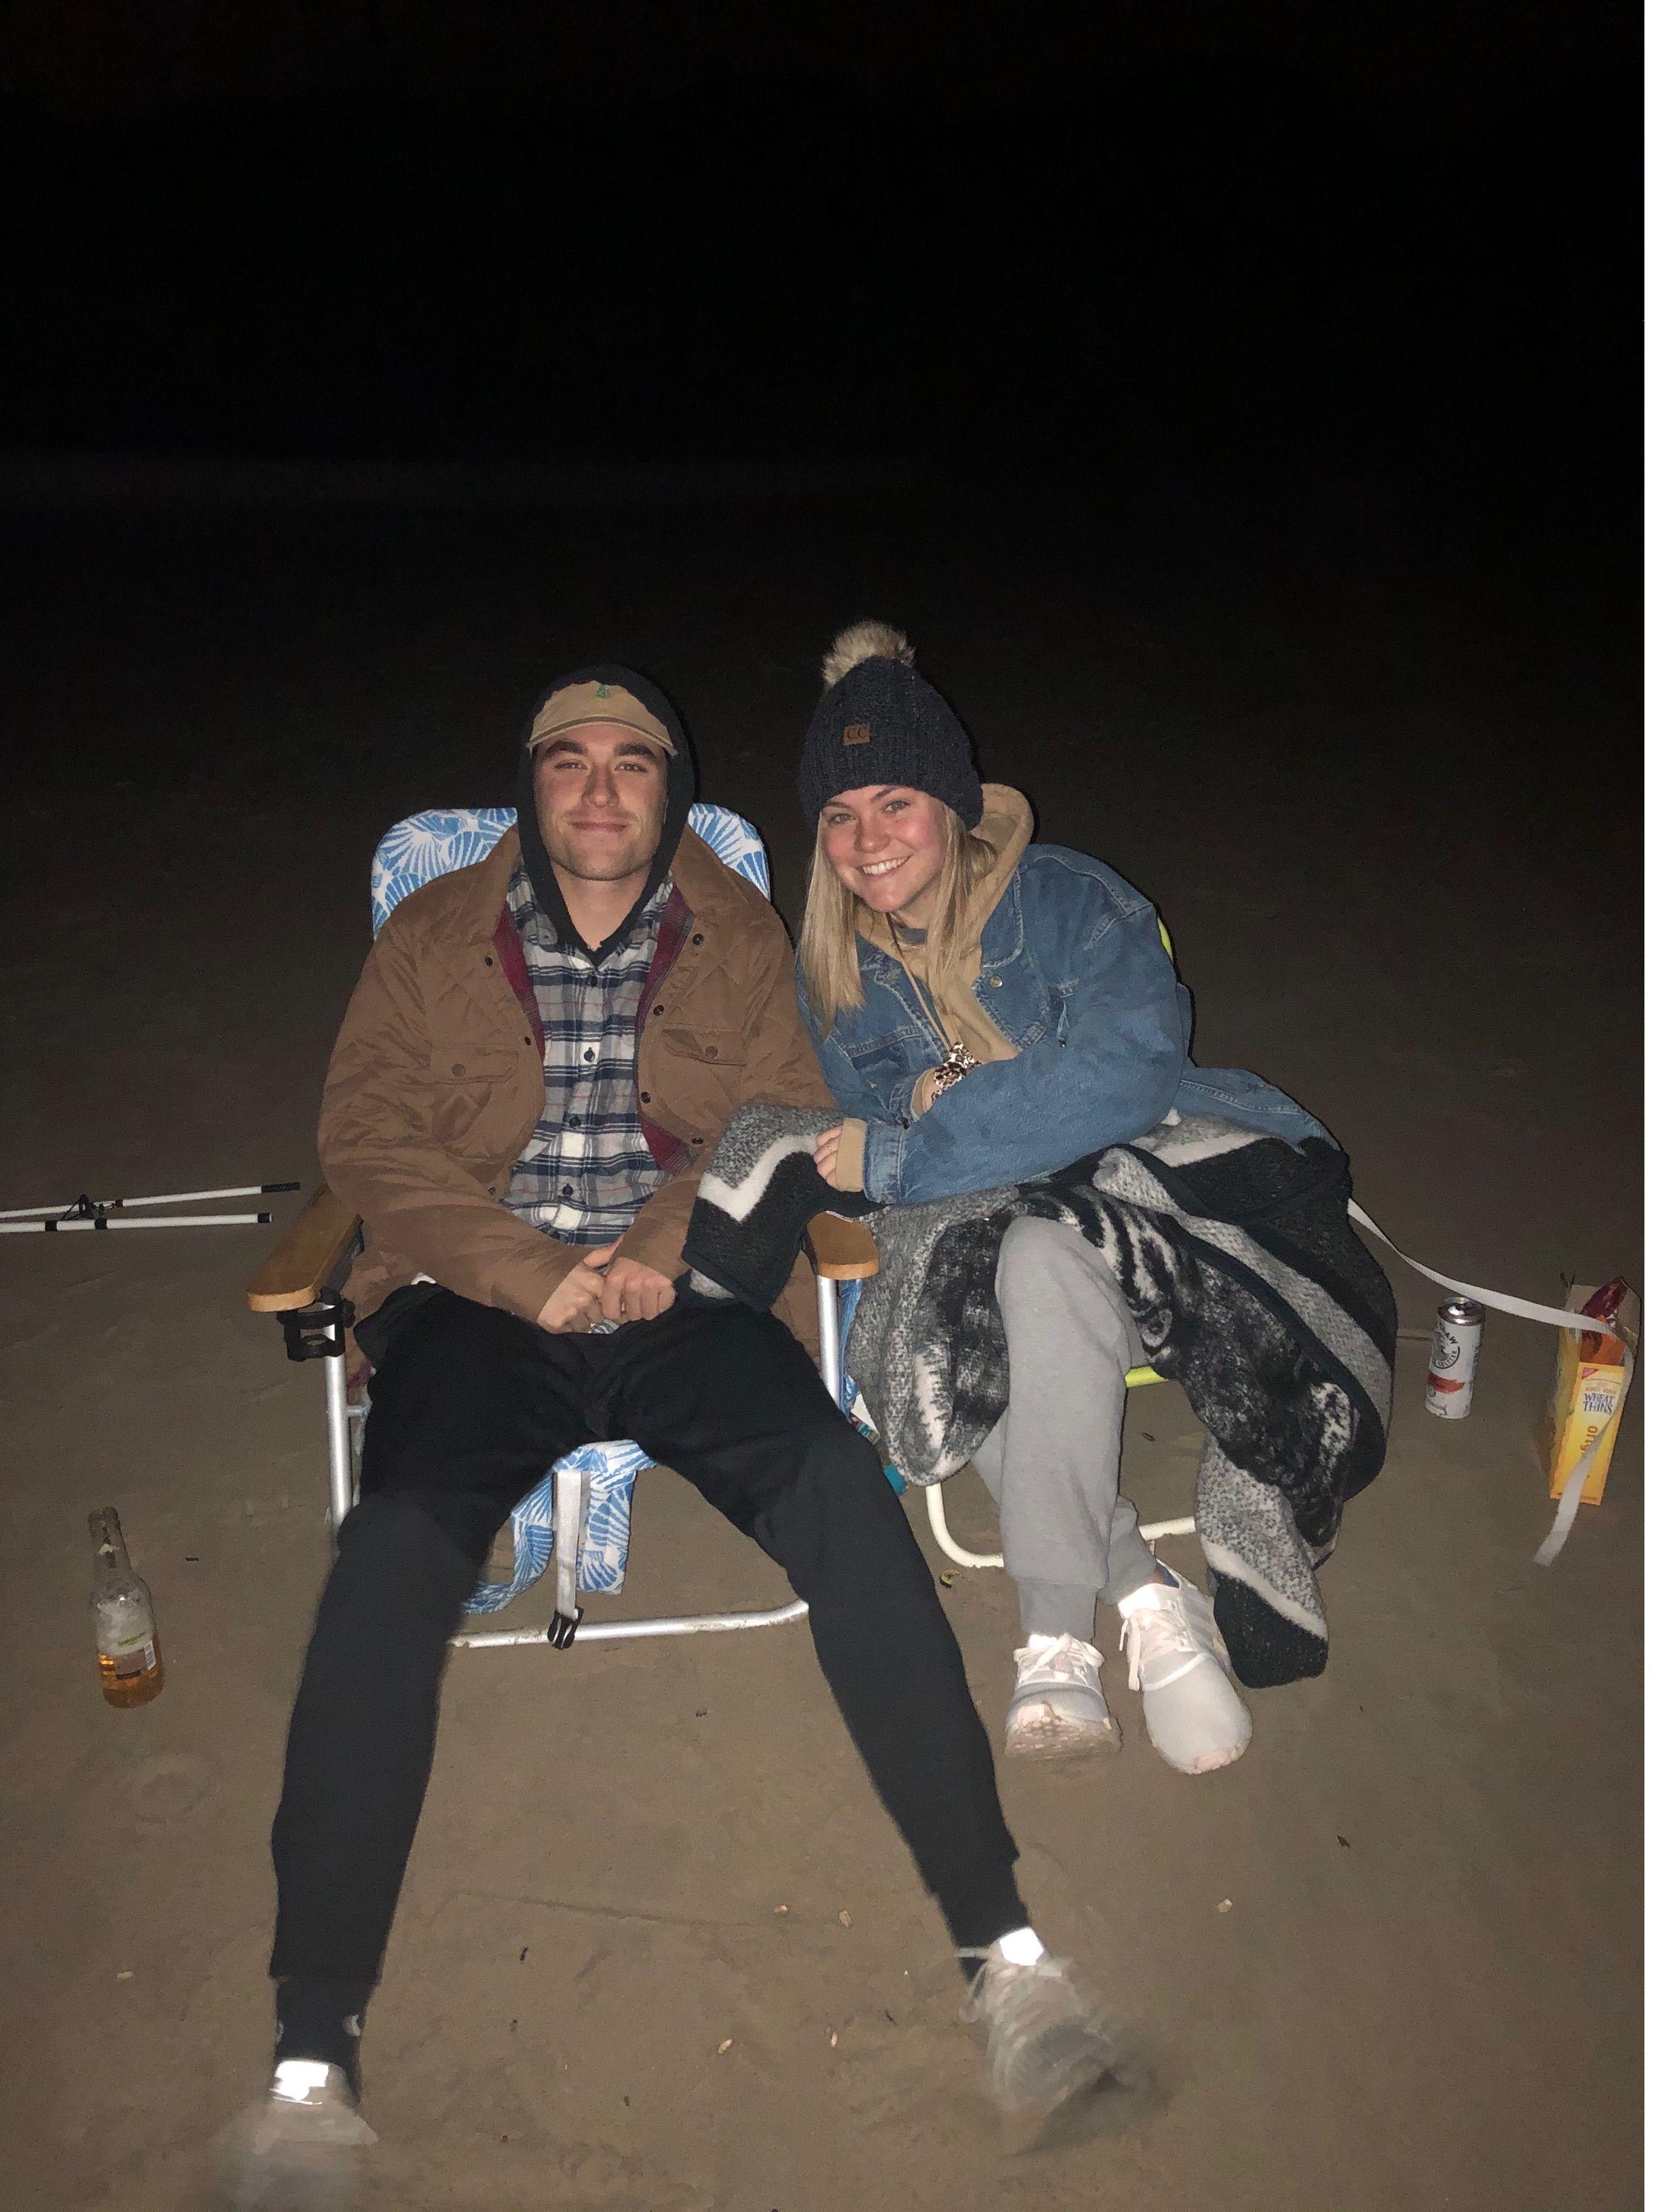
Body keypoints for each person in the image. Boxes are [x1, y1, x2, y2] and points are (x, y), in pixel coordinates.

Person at [228, 666, 1145, 2205]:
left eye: (633, 764)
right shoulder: (432, 934)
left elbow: (774, 1112)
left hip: (686, 1297)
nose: (601, 790)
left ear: (674, 790)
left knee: (839, 1494)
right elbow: (366, 1138)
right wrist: (528, 1271)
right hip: (482, 1309)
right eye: (570, 762)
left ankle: (1011, 1963)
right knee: (387, 1552)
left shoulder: (742, 933)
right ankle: (310, 2059)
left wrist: (659, 1250)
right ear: (532, 784)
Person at [797, 622, 1325, 1775]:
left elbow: (1127, 1075)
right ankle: (1143, 1593)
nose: (867, 841)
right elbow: (864, 1116)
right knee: (963, 1284)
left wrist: (925, 1138)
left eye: (895, 804)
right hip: (990, 1237)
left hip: (1157, 1223)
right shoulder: (834, 967)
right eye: (839, 815)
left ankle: (1054, 1635)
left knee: (1031, 1256)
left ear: (951, 802)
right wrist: (915, 1123)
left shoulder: (1070, 901)